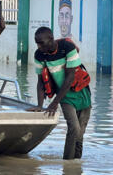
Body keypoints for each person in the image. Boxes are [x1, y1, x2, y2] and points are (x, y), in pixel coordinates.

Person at [29, 27, 91, 160]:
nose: (39, 46)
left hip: (82, 94)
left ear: (51, 39)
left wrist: (54, 103)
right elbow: (41, 82)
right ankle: (67, 163)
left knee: (80, 134)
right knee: (74, 128)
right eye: (37, 43)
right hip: (65, 97)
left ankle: (75, 166)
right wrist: (40, 105)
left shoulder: (67, 47)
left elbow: (70, 78)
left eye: (41, 43)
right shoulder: (39, 55)